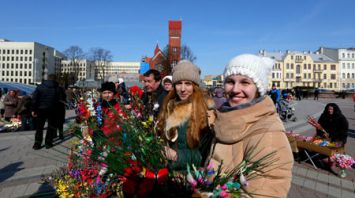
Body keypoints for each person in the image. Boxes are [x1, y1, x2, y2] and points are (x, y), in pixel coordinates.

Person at [209, 54, 293, 197]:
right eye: (230, 81)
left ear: (258, 89)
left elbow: (266, 192)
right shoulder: (225, 118)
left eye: (245, 82)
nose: (235, 89)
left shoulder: (267, 133)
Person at [157, 60, 215, 171]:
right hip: (168, 174)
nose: (183, 89)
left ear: (195, 86)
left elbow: (204, 156)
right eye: (179, 83)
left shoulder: (204, 112)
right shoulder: (168, 107)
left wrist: (177, 156)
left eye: (188, 84)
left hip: (192, 178)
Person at [31, 74, 60, 150]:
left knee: (39, 127)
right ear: (55, 79)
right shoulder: (57, 88)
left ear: (47, 79)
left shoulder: (40, 87)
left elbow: (35, 99)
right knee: (51, 127)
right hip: (53, 110)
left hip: (41, 109)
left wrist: (33, 110)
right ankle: (48, 143)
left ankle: (37, 143)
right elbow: (59, 100)